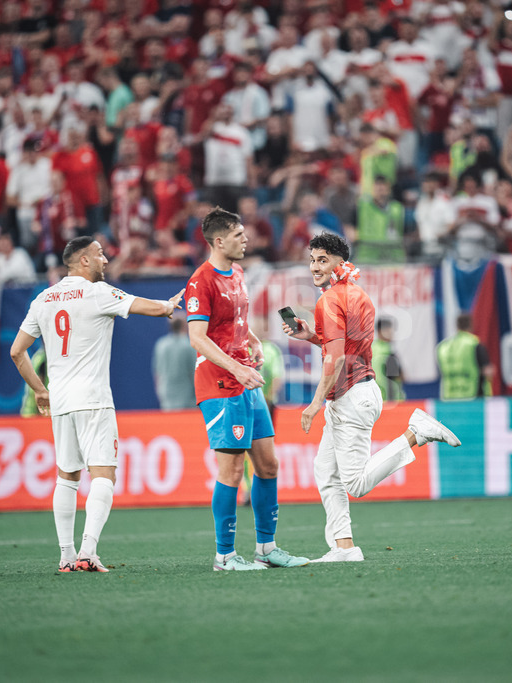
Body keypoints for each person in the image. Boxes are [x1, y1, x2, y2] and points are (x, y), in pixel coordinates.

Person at [283, 232, 461, 562]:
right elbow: (344, 350)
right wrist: (311, 336)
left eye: (322, 260)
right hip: (358, 392)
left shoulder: (329, 300)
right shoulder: (357, 294)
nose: (314, 266)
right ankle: (344, 547)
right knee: (326, 470)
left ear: (339, 261)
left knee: (357, 483)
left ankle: (415, 433)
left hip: (350, 396)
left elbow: (335, 360)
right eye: (312, 259)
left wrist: (314, 403)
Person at [10, 236, 184, 572]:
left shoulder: (43, 299)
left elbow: (17, 351)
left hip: (59, 400)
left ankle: (65, 556)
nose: (106, 260)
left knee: (66, 477)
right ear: (83, 261)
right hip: (93, 399)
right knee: (104, 474)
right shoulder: (97, 292)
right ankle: (88, 552)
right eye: (101, 254)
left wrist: (39, 390)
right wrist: (167, 305)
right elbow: (148, 307)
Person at [186, 207, 308, 571]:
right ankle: (224, 556)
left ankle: (267, 549)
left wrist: (251, 339)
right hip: (220, 382)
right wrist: (237, 366)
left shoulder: (238, 272)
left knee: (268, 465)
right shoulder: (200, 281)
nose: (246, 239)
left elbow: (235, 320)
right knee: (232, 472)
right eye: (239, 235)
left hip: (246, 378)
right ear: (219, 241)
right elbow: (197, 336)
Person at [437, 313, 494, 400]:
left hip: (450, 398)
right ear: (471, 325)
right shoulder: (475, 344)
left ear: (457, 326)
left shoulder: (444, 347)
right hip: (473, 396)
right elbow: (487, 371)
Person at [152, 316, 198, 411]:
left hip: (166, 395)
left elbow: (157, 372)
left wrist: (160, 391)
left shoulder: (161, 344)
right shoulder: (189, 345)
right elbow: (195, 373)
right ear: (185, 325)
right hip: (188, 397)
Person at [372, 317, 405, 402]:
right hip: (390, 400)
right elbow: (398, 376)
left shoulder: (370, 348)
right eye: (388, 330)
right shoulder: (387, 350)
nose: (391, 333)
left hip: (375, 400)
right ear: (380, 332)